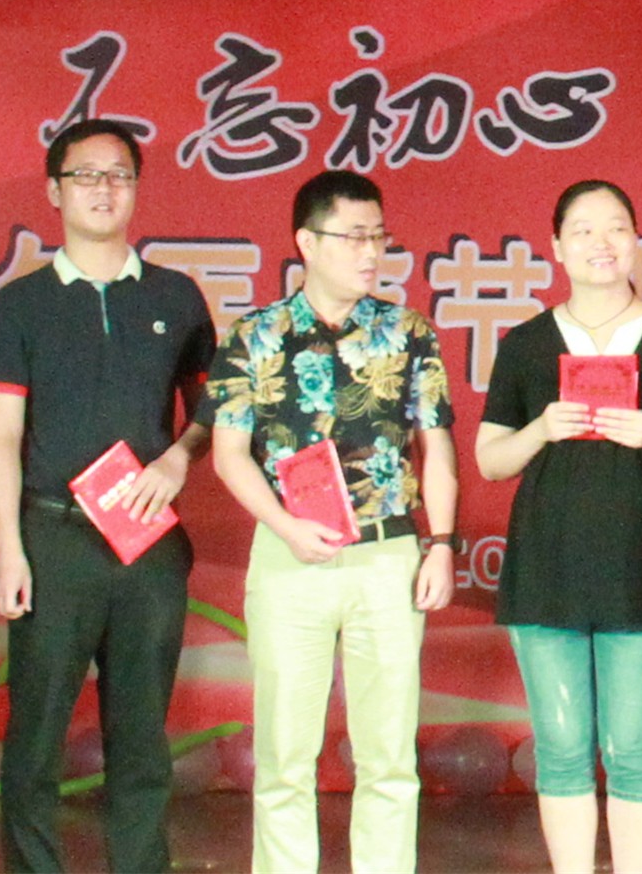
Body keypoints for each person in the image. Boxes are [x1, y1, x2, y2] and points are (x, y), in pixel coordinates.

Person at [0, 118, 215, 874]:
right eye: (85, 175)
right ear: (55, 191)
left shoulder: (177, 296)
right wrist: (10, 550)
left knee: (142, 737)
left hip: (148, 539)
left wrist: (177, 460)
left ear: (136, 189)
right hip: (53, 539)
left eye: (119, 175)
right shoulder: (20, 305)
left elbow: (215, 411)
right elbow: (1, 438)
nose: (103, 189)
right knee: (36, 736)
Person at [206, 171, 459, 874]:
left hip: (387, 556)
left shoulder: (408, 332)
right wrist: (285, 527)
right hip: (291, 555)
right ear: (307, 243)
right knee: (285, 753)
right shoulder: (254, 335)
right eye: (354, 237)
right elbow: (228, 455)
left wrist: (441, 544)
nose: (371, 252)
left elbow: (436, 447)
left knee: (389, 754)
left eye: (379, 236)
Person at [474, 180, 642, 874]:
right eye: (582, 230)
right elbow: (491, 460)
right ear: (556, 247)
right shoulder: (527, 344)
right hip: (546, 565)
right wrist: (540, 428)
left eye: (616, 227)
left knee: (634, 748)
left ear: (637, 241)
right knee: (560, 747)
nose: (601, 243)